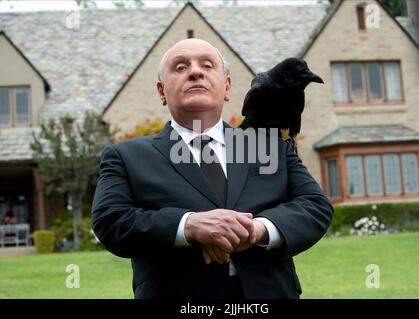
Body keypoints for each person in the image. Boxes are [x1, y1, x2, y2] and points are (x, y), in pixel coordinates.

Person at [91, 38, 333, 299]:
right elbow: (110, 220)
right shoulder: (125, 156)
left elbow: (314, 206)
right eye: (181, 67)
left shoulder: (272, 147)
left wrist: (257, 230)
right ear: (161, 92)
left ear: (227, 87)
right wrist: (189, 225)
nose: (196, 71)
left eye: (207, 65)